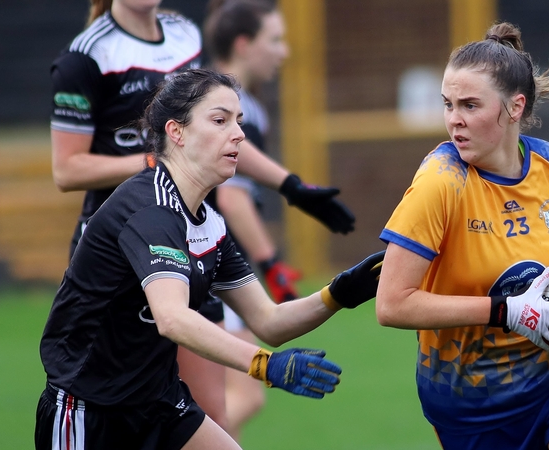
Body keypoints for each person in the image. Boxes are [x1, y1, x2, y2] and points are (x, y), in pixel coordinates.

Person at [35, 68, 385, 450]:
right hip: (91, 411)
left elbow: (268, 321)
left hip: (160, 403)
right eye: (220, 120)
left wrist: (337, 295)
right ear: (176, 132)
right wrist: (265, 365)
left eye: (239, 121)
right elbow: (173, 319)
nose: (238, 133)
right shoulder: (150, 210)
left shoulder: (209, 224)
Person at [375, 22, 549, 450]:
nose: (453, 121)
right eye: (447, 104)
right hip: (474, 403)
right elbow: (392, 304)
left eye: (469, 105)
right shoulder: (440, 182)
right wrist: (509, 312)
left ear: (515, 106)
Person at [201, 0, 289, 438]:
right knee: (241, 397)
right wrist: (271, 264)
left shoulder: (204, 94)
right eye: (274, 40)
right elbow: (233, 200)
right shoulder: (240, 108)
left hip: (196, 265)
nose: (283, 51)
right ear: (243, 44)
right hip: (210, 271)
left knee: (204, 401)